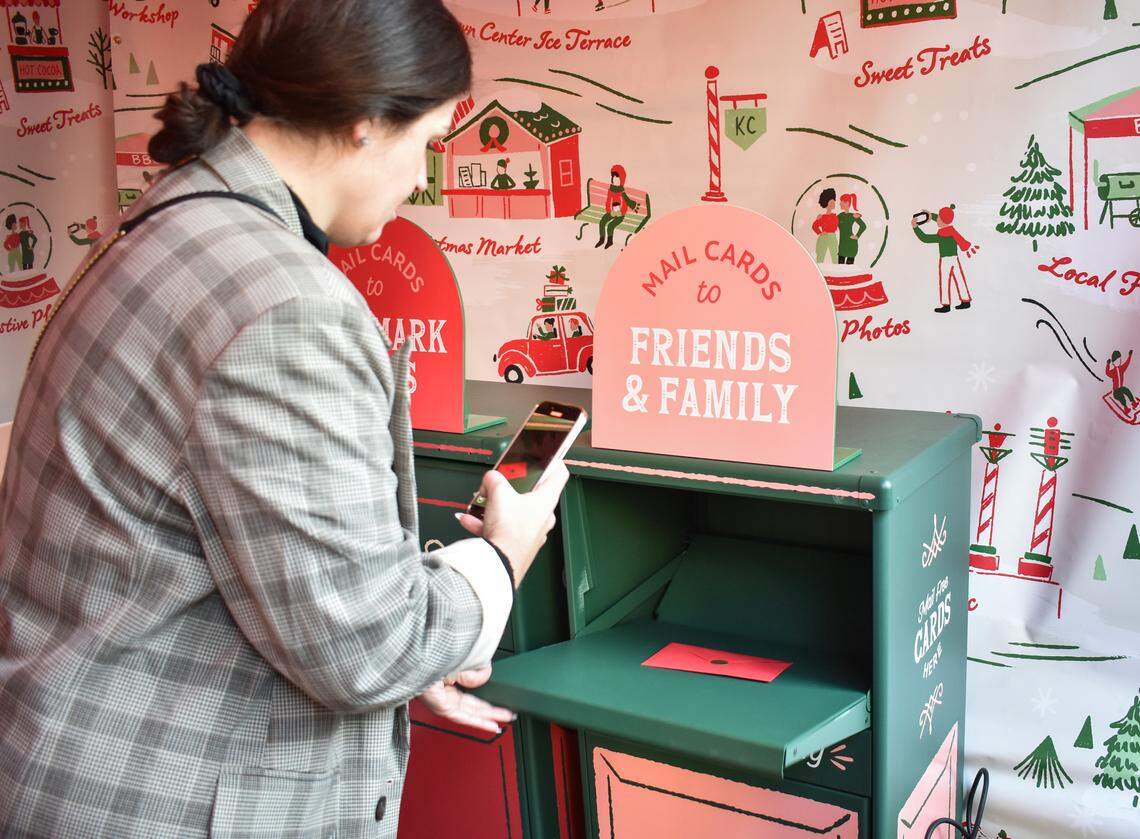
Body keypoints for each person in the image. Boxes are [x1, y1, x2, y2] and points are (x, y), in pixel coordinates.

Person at [0, 2, 568, 837]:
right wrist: (500, 555)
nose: (423, 177)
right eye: (428, 142)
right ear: (369, 122)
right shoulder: (286, 307)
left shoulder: (164, 226)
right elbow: (371, 645)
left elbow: (227, 559)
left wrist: (412, 653)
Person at [911, 204, 977, 313]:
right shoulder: (951, 230)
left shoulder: (942, 235)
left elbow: (925, 238)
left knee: (945, 281)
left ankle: (946, 305)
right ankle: (966, 301)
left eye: (938, 219)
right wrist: (931, 216)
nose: (937, 221)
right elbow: (942, 219)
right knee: (959, 279)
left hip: (946, 260)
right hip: (954, 259)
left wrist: (916, 228)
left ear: (942, 221)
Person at [596, 164, 638, 249]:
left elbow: (625, 205)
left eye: (616, 177)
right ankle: (602, 239)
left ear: (621, 179)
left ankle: (610, 240)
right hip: (611, 212)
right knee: (602, 221)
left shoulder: (622, 192)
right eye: (613, 177)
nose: (614, 179)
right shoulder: (610, 190)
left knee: (611, 225)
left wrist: (620, 213)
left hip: (620, 214)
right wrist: (609, 211)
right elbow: (608, 201)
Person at [811, 187, 838, 264]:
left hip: (832, 237)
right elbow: (814, 226)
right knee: (820, 255)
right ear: (827, 203)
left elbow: (835, 227)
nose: (833, 204)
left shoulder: (835, 216)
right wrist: (820, 232)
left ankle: (835, 270)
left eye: (834, 202)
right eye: (831, 202)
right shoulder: (822, 217)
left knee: (834, 255)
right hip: (823, 237)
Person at [836, 193, 865, 265]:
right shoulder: (840, 216)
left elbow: (863, 226)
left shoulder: (853, 215)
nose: (840, 204)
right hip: (842, 245)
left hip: (851, 244)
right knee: (840, 267)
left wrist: (857, 236)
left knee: (849, 269)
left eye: (841, 202)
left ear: (847, 203)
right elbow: (832, 222)